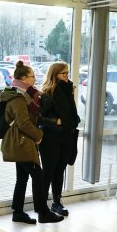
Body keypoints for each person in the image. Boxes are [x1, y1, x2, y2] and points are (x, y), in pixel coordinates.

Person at [0, 61, 64, 224]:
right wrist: (39, 135)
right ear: (23, 78)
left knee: (22, 178)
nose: (35, 78)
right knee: (38, 175)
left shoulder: (23, 94)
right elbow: (24, 123)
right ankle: (43, 212)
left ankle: (18, 212)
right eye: (32, 76)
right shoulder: (19, 97)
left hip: (19, 142)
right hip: (22, 142)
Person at [38, 61, 81, 216]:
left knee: (60, 171)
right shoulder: (47, 92)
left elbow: (71, 113)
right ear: (54, 75)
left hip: (66, 136)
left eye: (67, 73)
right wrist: (55, 121)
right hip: (50, 138)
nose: (67, 76)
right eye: (64, 73)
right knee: (48, 172)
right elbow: (39, 118)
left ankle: (57, 202)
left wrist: (74, 119)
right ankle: (42, 206)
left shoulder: (68, 91)